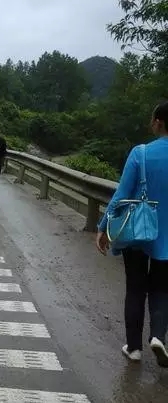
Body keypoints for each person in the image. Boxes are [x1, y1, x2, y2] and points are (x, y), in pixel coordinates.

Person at [96, 101, 168, 368]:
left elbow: (121, 194)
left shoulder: (141, 153)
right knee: (162, 290)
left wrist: (103, 227)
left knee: (136, 288)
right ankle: (158, 336)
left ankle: (134, 348)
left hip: (138, 232)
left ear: (158, 122)